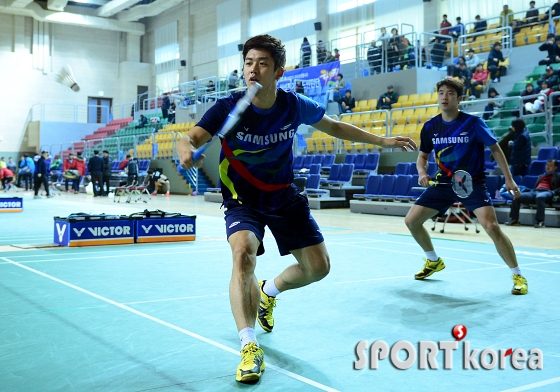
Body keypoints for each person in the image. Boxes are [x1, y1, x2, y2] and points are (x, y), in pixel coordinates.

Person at [176, 33, 416, 384]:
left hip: (283, 195)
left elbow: (333, 126)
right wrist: (185, 149)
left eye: (262, 64)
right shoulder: (228, 107)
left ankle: (268, 291)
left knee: (318, 268)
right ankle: (248, 345)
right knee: (242, 253)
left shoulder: (293, 105)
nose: (253, 70)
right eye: (248, 63)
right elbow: (191, 137)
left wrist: (381, 139)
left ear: (279, 72)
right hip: (242, 199)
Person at [404, 77, 527, 297]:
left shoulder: (472, 123)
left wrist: (509, 178)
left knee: (491, 226)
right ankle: (433, 261)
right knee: (411, 221)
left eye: (450, 93)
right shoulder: (431, 126)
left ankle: (517, 275)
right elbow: (422, 157)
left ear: (459, 99)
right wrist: (422, 172)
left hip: (472, 183)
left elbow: (496, 149)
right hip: (443, 183)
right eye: (441, 92)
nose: (444, 96)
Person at [507, 159, 560, 228]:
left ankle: (540, 221)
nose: (548, 167)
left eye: (550, 165)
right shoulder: (541, 176)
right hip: (535, 192)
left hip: (547, 192)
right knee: (517, 196)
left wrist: (553, 192)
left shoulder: (558, 175)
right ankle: (514, 220)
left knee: (540, 197)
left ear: (555, 167)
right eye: (547, 165)